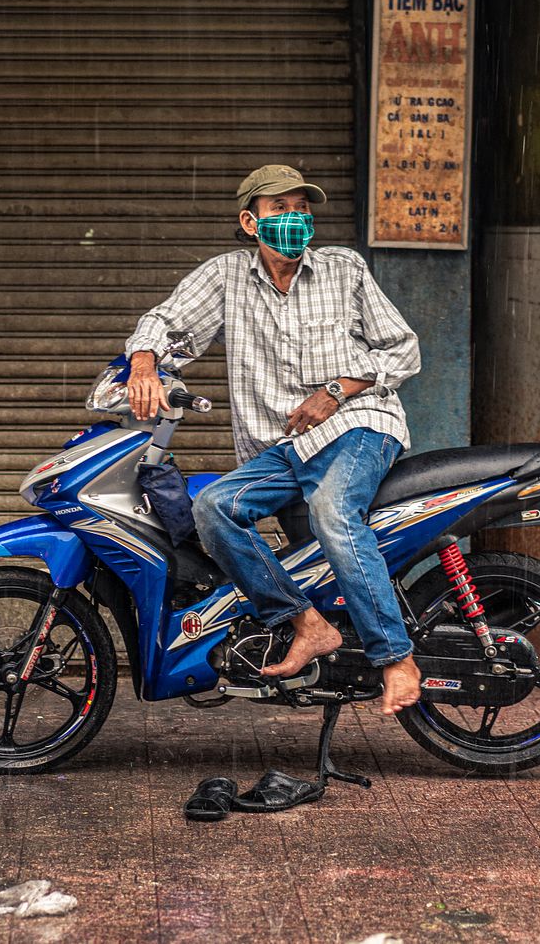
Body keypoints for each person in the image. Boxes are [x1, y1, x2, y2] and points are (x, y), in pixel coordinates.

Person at [124, 164, 424, 716]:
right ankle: (304, 622)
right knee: (213, 508)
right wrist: (144, 364)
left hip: (358, 425)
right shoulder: (226, 277)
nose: (295, 219)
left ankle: (396, 657)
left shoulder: (344, 269)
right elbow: (164, 324)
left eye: (302, 208)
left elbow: (403, 350)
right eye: (280, 209)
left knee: (335, 511)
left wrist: (335, 390)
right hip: (280, 450)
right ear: (249, 221)